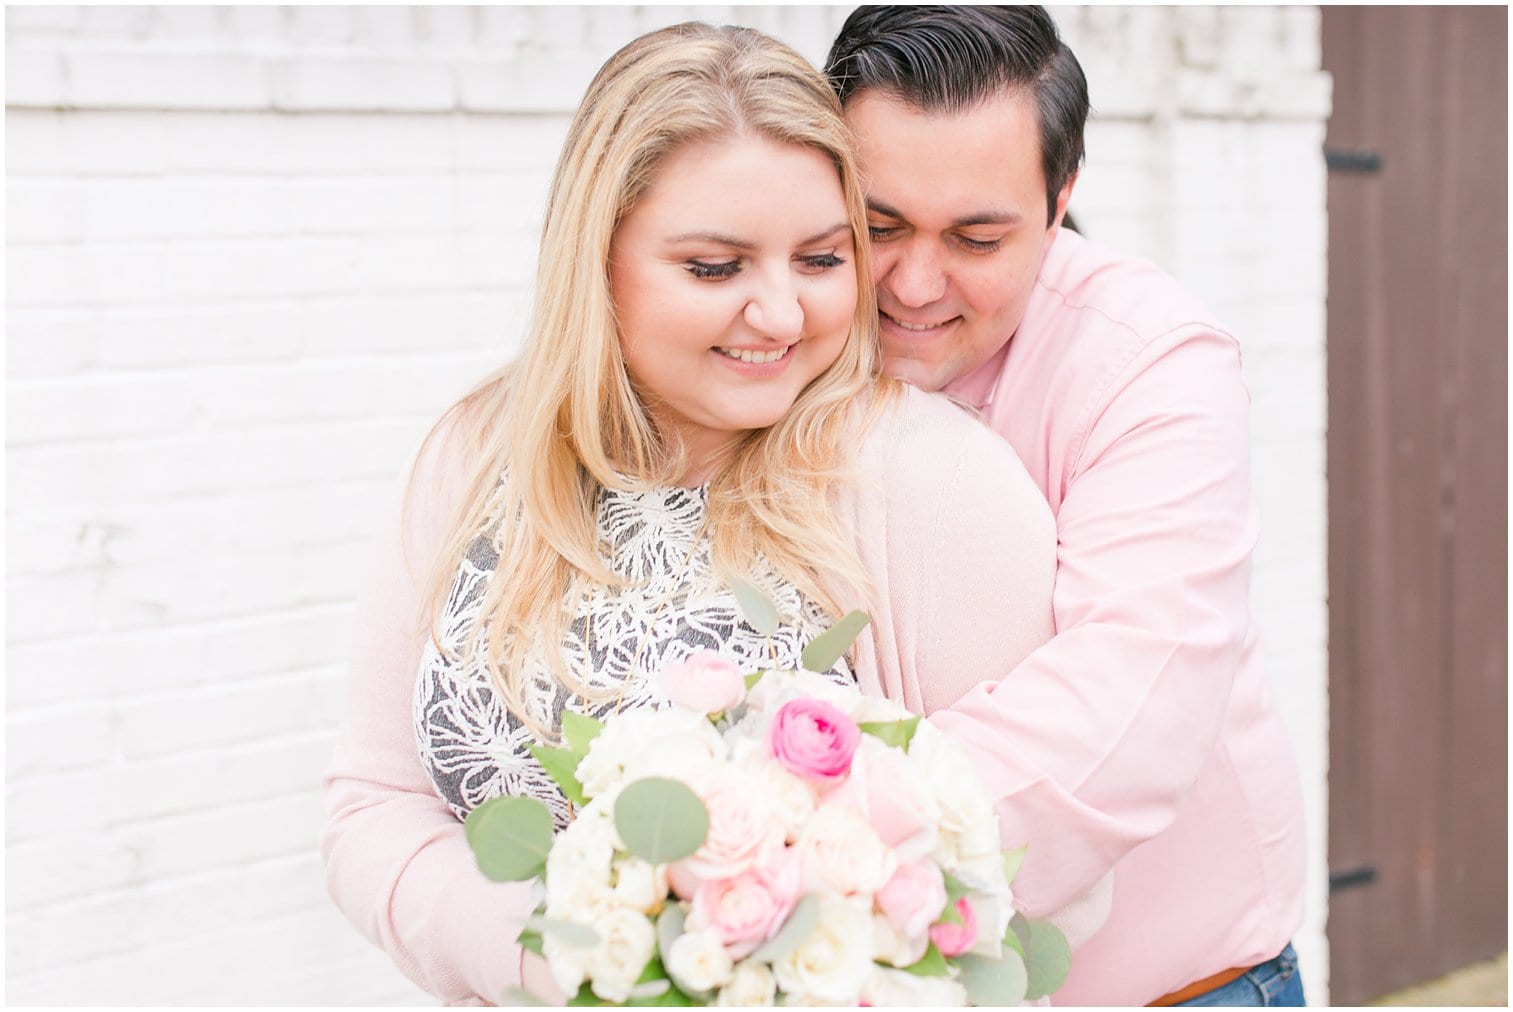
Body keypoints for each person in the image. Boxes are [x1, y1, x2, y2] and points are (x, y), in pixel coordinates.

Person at [320, 21, 1068, 1005]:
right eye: (716, 268)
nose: (781, 315)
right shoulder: (476, 454)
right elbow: (371, 808)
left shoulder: (928, 482)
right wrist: (569, 957)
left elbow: (996, 884)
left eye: (818, 259)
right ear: (599, 258)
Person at [824, 6, 1309, 1007]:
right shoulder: (784, 342)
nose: (914, 285)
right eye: (878, 227)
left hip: (1170, 989)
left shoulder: (1151, 363)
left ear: (1061, 198)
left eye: (975, 236)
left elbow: (1125, 703)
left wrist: (816, 876)